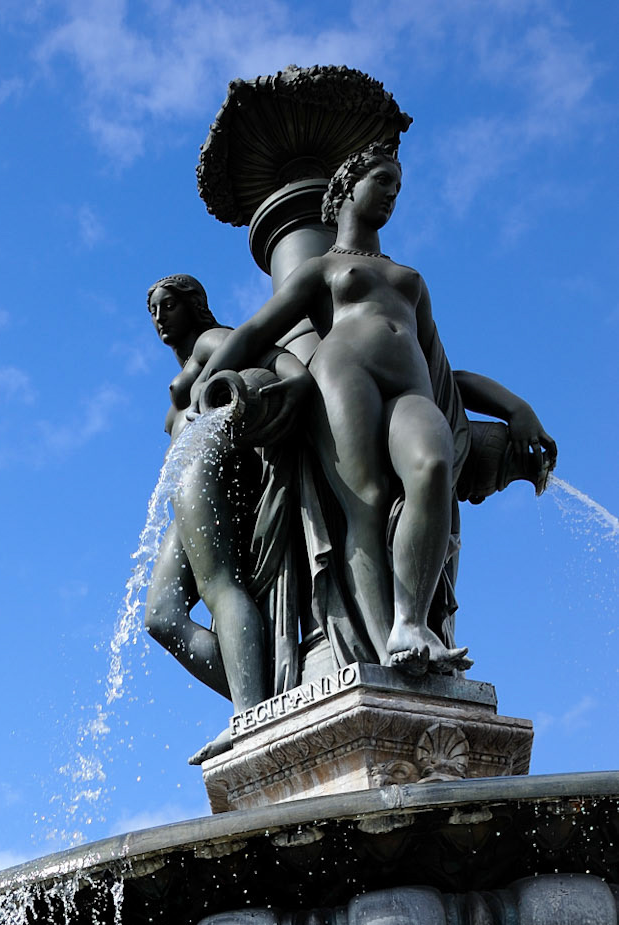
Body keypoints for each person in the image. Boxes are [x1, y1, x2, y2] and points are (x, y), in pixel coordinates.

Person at [198, 147, 554, 676]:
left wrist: (517, 408)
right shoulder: (322, 269)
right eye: (383, 181)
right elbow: (254, 332)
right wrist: (206, 387)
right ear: (345, 189)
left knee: (432, 469)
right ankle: (389, 640)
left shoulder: (409, 278)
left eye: (397, 186)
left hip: (413, 387)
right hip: (343, 375)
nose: (392, 194)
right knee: (362, 505)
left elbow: (446, 372)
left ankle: (412, 617)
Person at [143, 274, 310, 709]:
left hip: (214, 464)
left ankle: (250, 714)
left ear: (194, 305)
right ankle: (260, 700)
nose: (160, 317)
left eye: (169, 305)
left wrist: (297, 381)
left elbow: (273, 353)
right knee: (161, 616)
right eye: (153, 310)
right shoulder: (187, 365)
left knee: (220, 586)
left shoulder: (208, 341)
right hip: (190, 478)